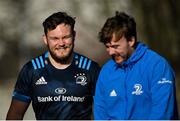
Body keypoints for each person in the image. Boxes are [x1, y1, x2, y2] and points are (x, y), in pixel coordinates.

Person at [6, 11, 100, 120]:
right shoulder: (32, 70)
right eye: (55, 38)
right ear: (45, 39)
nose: (61, 43)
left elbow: (106, 111)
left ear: (74, 35)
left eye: (66, 37)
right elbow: (15, 114)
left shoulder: (90, 68)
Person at [94, 11, 178, 120]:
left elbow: (162, 114)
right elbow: (101, 113)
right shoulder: (106, 71)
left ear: (131, 40)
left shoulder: (157, 66)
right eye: (107, 46)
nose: (110, 52)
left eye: (115, 46)